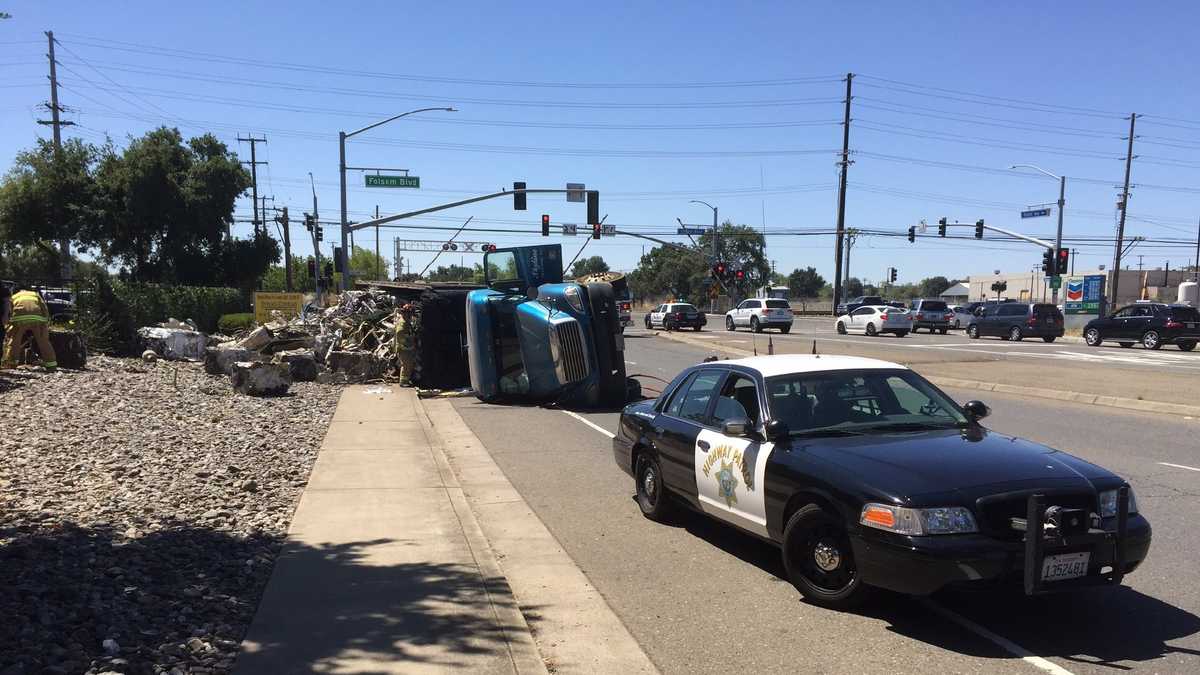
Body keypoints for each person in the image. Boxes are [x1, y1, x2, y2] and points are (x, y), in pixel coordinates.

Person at [2, 284, 57, 371]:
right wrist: (45, 323)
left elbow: (10, 310)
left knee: (15, 342)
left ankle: (11, 364)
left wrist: (10, 325)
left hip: (19, 319)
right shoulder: (35, 294)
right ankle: (51, 365)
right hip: (37, 319)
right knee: (43, 342)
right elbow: (44, 308)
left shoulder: (14, 296)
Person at [394, 303, 416, 386]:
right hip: (403, 348)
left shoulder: (406, 321)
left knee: (409, 364)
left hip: (407, 348)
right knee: (406, 365)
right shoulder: (402, 323)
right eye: (410, 314)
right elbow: (400, 334)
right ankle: (403, 382)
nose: (411, 316)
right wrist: (411, 338)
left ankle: (406, 380)